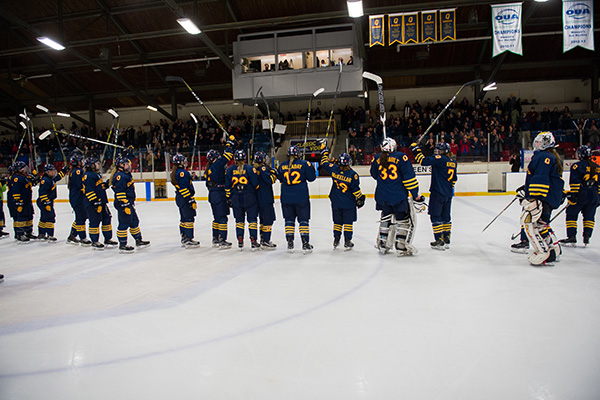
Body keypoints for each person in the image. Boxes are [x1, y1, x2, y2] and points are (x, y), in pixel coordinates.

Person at [370, 137, 426, 256]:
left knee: (386, 218)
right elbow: (409, 178)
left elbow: (374, 175)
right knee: (403, 220)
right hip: (398, 196)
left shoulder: (377, 158)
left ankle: (383, 244)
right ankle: (401, 246)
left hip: (382, 195)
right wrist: (415, 194)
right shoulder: (401, 157)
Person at [519, 132, 564, 265]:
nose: (536, 144)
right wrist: (526, 188)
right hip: (550, 197)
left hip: (544, 197)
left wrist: (534, 197)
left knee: (529, 223)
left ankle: (543, 251)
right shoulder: (550, 156)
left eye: (539, 142)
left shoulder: (543, 156)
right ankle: (554, 248)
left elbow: (541, 179)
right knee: (543, 224)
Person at [410, 141, 457, 250]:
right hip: (448, 194)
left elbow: (423, 161)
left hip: (437, 192)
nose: (436, 152)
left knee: (436, 216)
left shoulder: (440, 159)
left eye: (438, 150)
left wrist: (416, 149)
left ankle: (439, 240)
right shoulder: (453, 162)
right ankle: (446, 239)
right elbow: (454, 179)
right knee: (446, 217)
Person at [320, 148, 365, 250]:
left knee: (337, 221)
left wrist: (324, 153)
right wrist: (360, 199)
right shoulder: (353, 175)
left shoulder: (334, 169)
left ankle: (336, 240)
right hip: (348, 203)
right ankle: (347, 241)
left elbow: (324, 163)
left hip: (336, 201)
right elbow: (356, 190)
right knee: (348, 222)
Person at [277, 145, 316, 253]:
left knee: (289, 220)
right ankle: (305, 243)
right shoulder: (304, 164)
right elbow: (312, 178)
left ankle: (290, 243)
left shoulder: (282, 165)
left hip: (286, 197)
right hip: (301, 196)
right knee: (303, 221)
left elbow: (280, 178)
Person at [560, 145, 599, 246]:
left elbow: (575, 182)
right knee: (589, 216)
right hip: (593, 194)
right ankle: (587, 237)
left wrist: (574, 195)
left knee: (571, 214)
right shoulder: (597, 167)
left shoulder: (577, 166)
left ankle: (572, 236)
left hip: (582, 193)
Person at [110, 155, 150, 253]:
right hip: (123, 204)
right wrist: (125, 205)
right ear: (120, 165)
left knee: (134, 222)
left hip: (129, 203)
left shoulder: (126, 174)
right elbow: (120, 193)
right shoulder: (120, 176)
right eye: (126, 164)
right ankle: (122, 244)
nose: (128, 165)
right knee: (124, 224)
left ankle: (138, 240)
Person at [226, 150, 260, 250]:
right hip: (249, 197)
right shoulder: (250, 169)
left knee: (239, 221)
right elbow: (255, 184)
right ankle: (253, 241)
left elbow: (227, 187)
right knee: (252, 220)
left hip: (236, 197)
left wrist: (229, 198)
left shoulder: (229, 170)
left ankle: (240, 241)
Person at [204, 142, 234, 248]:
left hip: (212, 194)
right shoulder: (217, 164)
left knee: (216, 217)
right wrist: (229, 146)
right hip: (219, 194)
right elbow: (228, 156)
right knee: (222, 218)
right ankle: (222, 239)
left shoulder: (210, 168)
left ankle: (215, 237)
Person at [82, 157, 116, 250]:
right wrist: (95, 202)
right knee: (94, 221)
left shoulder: (95, 175)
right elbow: (89, 191)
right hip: (93, 204)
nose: (98, 165)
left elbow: (98, 187)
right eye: (96, 164)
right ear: (91, 165)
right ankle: (94, 241)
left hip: (102, 202)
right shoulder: (89, 175)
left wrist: (105, 185)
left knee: (107, 219)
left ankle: (108, 238)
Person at [171, 153, 199, 248]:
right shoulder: (183, 173)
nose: (185, 162)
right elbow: (184, 188)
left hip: (180, 198)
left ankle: (184, 237)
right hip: (184, 198)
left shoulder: (178, 172)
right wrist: (190, 199)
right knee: (189, 218)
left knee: (183, 218)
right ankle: (188, 238)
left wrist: (190, 178)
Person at [36, 164, 68, 242]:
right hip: (45, 201)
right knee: (50, 217)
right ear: (47, 172)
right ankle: (50, 234)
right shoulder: (45, 180)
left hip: (47, 201)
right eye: (51, 171)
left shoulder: (51, 179)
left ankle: (41, 233)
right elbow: (42, 193)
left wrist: (63, 171)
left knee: (44, 217)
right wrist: (46, 203)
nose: (53, 173)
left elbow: (58, 177)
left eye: (54, 171)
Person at [253, 151, 278, 249]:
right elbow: (270, 180)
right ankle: (266, 240)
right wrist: (273, 173)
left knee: (263, 220)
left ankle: (263, 239)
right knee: (268, 219)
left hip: (258, 198)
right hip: (265, 198)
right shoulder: (263, 169)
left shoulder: (254, 169)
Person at [7, 161, 37, 242]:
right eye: (23, 168)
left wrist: (34, 177)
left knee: (28, 216)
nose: (25, 169)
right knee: (20, 217)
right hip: (21, 201)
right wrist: (18, 201)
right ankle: (20, 234)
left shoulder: (22, 177)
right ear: (19, 169)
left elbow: (28, 184)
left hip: (27, 200)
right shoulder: (16, 178)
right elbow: (16, 190)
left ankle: (28, 232)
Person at [66, 153, 91, 246]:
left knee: (81, 217)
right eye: (81, 160)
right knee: (80, 218)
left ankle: (72, 235)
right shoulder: (77, 172)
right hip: (78, 199)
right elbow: (82, 185)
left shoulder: (77, 171)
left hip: (77, 198)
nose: (83, 162)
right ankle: (82, 237)